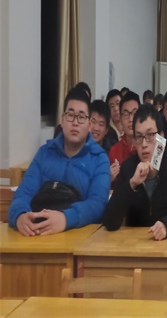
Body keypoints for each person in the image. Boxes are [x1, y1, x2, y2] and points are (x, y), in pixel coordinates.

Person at [9, 87, 111, 236]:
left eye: (81, 117)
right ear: (62, 120)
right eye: (71, 115)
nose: (75, 122)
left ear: (89, 125)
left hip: (79, 238)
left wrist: (66, 219)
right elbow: (23, 193)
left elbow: (97, 204)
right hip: (37, 235)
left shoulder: (99, 159)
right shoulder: (44, 153)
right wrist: (20, 216)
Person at [103, 104, 167, 240]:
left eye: (150, 135)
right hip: (135, 244)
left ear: (161, 138)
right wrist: (132, 184)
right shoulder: (128, 168)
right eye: (139, 137)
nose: (144, 144)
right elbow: (109, 222)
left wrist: (166, 225)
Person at [108, 91, 141, 183]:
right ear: (121, 119)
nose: (131, 119)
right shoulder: (114, 151)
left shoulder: (148, 147)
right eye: (126, 114)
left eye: (134, 113)